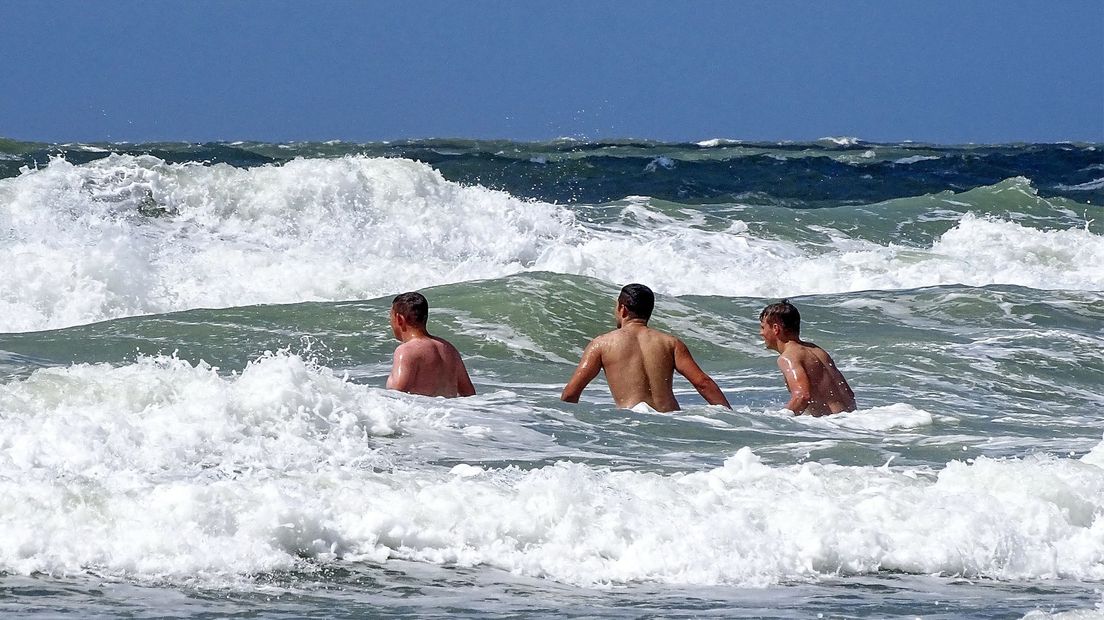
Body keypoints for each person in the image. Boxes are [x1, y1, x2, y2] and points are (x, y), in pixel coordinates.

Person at [561, 283, 731, 412]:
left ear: (622, 308)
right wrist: (730, 418)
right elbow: (703, 383)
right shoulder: (671, 343)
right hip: (672, 421)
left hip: (634, 423)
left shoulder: (602, 344)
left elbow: (571, 393)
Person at [758, 299, 855, 416]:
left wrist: (776, 420)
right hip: (851, 420)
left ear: (776, 328)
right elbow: (849, 394)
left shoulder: (788, 357)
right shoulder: (817, 351)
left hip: (832, 426)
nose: (761, 333)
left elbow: (802, 396)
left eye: (763, 327)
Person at [386, 292, 476, 398]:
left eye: (390, 318)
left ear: (399, 319)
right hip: (449, 413)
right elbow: (469, 394)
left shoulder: (406, 351)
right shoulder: (448, 349)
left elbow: (395, 395)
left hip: (422, 413)